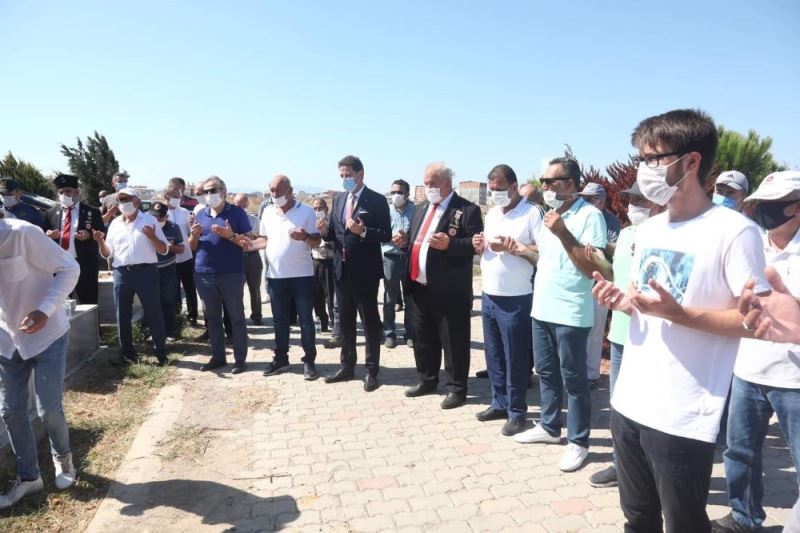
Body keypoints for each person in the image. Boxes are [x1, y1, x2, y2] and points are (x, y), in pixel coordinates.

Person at [591, 109, 770, 533]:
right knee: (637, 518)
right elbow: (644, 304)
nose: (643, 169)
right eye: (641, 158)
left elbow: (756, 323)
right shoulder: (650, 229)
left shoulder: (734, 231)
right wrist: (623, 302)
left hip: (683, 412)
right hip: (629, 401)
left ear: (691, 162)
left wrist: (681, 315)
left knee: (684, 522)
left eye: (653, 159)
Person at [712, 170, 800, 533]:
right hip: (748, 369)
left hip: (794, 378)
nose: (763, 210)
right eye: (760, 203)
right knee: (740, 452)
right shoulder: (751, 244)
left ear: (797, 207)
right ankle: (743, 517)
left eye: (772, 204)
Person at [513, 157, 608, 474]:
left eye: (550, 181)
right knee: (546, 372)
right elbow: (547, 259)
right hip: (542, 308)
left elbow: (592, 268)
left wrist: (564, 233)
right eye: (543, 181)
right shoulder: (549, 216)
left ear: (570, 184)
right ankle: (550, 426)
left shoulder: (591, 216)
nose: (544, 187)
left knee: (575, 380)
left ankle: (579, 441)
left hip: (570, 311)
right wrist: (521, 250)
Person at [0, 213, 80, 508]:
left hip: (46, 335)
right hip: (6, 340)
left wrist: (45, 309)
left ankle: (63, 458)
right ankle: (29, 477)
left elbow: (70, 268)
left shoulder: (22, 233)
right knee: (11, 411)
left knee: (48, 409)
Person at [588, 182, 664, 488]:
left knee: (650, 409)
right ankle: (622, 466)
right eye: (631, 199)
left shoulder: (666, 234)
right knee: (620, 407)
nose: (634, 206)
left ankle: (651, 469)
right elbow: (616, 274)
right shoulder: (627, 233)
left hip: (651, 336)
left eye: (640, 200)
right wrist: (598, 261)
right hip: (621, 333)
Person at [403, 162, 482, 409]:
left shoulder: (467, 210)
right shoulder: (420, 208)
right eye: (425, 183)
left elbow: (475, 246)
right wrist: (404, 242)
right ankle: (427, 379)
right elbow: (416, 241)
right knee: (423, 338)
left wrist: (451, 244)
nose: (428, 188)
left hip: (450, 291)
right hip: (419, 286)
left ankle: (457, 388)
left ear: (446, 184)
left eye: (432, 184)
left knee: (454, 341)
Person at [472, 164, 541, 434]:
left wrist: (515, 247)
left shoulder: (531, 212)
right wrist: (480, 247)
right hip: (489, 294)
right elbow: (488, 248)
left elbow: (543, 249)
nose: (495, 193)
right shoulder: (492, 213)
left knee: (515, 358)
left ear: (514, 186)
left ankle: (516, 411)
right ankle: (499, 402)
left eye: (499, 189)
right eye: (492, 189)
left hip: (516, 297)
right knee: (495, 355)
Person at [319, 155, 391, 392]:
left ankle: (371, 371)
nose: (344, 179)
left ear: (360, 174)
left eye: (348, 175)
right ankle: (347, 366)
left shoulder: (377, 200)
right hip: (341, 271)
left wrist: (364, 231)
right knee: (346, 322)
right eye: (341, 175)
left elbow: (386, 234)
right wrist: (324, 231)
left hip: (365, 273)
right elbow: (334, 233)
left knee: (369, 323)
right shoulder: (339, 199)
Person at [247, 175, 321, 380]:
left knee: (306, 320)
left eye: (278, 190)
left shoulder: (306, 211)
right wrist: (250, 245)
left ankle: (309, 361)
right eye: (271, 190)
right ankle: (281, 359)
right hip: (275, 277)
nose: (274, 194)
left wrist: (305, 237)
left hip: (302, 276)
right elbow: (264, 240)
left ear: (290, 190)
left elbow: (317, 241)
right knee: (280, 321)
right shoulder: (268, 212)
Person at [94, 188, 170, 366]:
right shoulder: (115, 224)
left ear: (137, 201)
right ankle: (127, 354)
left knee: (153, 312)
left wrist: (152, 237)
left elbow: (164, 249)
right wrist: (100, 242)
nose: (124, 203)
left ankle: (161, 353)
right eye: (121, 200)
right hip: (122, 274)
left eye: (127, 199)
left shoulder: (149, 220)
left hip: (146, 272)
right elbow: (108, 253)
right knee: (122, 315)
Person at [188, 176, 251, 374]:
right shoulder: (201, 213)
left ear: (224, 192)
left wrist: (229, 235)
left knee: (236, 318)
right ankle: (218, 357)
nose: (209, 195)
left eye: (213, 190)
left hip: (231, 273)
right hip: (204, 274)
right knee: (212, 319)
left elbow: (248, 242)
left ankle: (239, 359)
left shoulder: (237, 213)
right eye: (206, 191)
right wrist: (194, 236)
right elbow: (192, 246)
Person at [578, 182, 621, 385]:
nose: (585, 201)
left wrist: (599, 243)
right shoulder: (580, 216)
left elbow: (615, 248)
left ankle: (591, 374)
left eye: (589, 198)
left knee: (595, 330)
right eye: (583, 198)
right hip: (580, 279)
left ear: (601, 200)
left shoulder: (610, 221)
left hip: (601, 280)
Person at [43, 173, 105, 304]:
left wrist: (89, 235)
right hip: (59, 264)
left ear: (77, 191)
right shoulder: (51, 213)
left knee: (88, 301)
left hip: (84, 264)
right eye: (61, 192)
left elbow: (101, 233)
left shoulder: (92, 211)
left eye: (68, 191)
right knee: (59, 303)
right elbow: (43, 234)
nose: (64, 195)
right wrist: (49, 236)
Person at [382, 179, 415, 349]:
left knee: (410, 299)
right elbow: (379, 233)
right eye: (393, 192)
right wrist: (391, 238)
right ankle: (389, 333)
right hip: (390, 258)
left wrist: (407, 239)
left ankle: (410, 333)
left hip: (409, 258)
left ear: (407, 194)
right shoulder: (385, 211)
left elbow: (420, 233)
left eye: (400, 192)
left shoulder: (416, 210)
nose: (396, 195)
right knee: (390, 298)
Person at [165, 180, 199, 327]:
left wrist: (193, 227)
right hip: (169, 259)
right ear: (166, 196)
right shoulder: (160, 213)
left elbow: (190, 234)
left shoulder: (184, 212)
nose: (177, 199)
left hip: (185, 256)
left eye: (179, 196)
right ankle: (176, 316)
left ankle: (192, 316)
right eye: (174, 196)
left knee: (190, 288)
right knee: (173, 289)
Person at [149, 201, 184, 340]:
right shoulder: (145, 226)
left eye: (160, 217)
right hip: (149, 270)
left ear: (166, 216)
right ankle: (153, 333)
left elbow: (181, 249)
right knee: (152, 302)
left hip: (168, 269)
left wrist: (168, 247)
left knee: (168, 301)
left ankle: (169, 331)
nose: (157, 220)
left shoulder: (174, 228)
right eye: (154, 216)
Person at [234, 193, 264, 325]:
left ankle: (257, 316)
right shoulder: (230, 220)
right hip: (236, 257)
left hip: (252, 257)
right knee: (236, 290)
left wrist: (254, 238)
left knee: (255, 289)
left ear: (248, 204)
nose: (241, 208)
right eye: (238, 205)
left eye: (244, 205)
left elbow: (260, 239)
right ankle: (238, 317)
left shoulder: (254, 220)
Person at [311, 198, 335, 333]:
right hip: (315, 260)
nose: (317, 210)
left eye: (320, 208)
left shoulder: (332, 222)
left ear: (326, 209)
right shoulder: (311, 223)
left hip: (329, 261)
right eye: (315, 208)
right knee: (316, 294)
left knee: (330, 295)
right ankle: (322, 321)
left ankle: (334, 322)